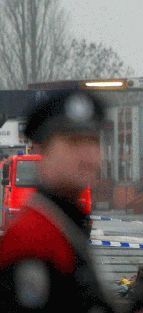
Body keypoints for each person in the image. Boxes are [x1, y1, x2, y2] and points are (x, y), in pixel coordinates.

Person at [0, 91, 116, 312]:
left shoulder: (67, 221)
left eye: (92, 141)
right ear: (42, 151)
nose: (86, 154)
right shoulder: (31, 239)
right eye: (73, 142)